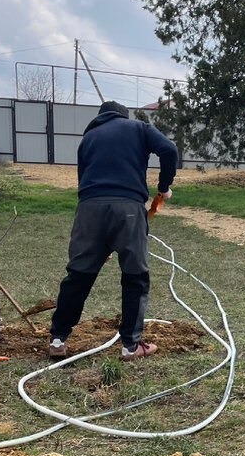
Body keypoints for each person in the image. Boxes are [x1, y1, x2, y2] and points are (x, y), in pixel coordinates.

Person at [48, 100, 179, 360]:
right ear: (123, 116)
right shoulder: (139, 128)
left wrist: (99, 242)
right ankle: (130, 346)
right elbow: (169, 149)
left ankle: (57, 339)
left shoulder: (88, 138)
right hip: (128, 210)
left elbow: (83, 180)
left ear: (101, 117)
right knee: (135, 277)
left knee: (78, 275)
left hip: (89, 210)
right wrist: (164, 187)